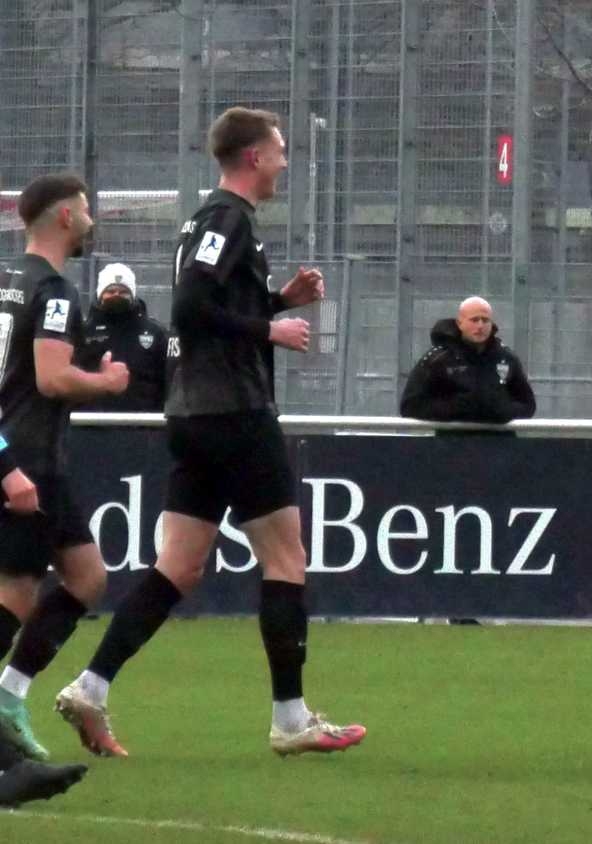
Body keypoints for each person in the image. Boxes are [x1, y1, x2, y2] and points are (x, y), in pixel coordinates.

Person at [54, 107, 367, 758]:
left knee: (179, 565)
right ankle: (290, 718)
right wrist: (269, 328)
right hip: (235, 412)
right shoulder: (229, 218)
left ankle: (91, 684)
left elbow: (209, 307)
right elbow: (192, 307)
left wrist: (277, 300)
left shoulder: (206, 220)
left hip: (193, 414)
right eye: (279, 150)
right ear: (253, 157)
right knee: (285, 559)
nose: (285, 161)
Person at [0, 174, 129, 762]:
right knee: (17, 593)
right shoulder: (54, 290)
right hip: (27, 458)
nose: (90, 220)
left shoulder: (12, 281)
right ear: (63, 218)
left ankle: (9, 695)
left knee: (86, 575)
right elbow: (52, 378)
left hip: (29, 453)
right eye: (84, 210)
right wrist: (105, 381)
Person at [400, 296, 536, 424]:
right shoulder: (438, 359)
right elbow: (410, 406)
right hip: (453, 439)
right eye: (474, 320)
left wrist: (501, 410)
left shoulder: (505, 357)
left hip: (499, 439)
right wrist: (460, 407)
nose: (480, 326)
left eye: (485, 320)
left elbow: (528, 405)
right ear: (460, 323)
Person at [74, 262, 169, 412]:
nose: (116, 295)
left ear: (133, 295)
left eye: (123, 291)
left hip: (144, 422)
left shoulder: (155, 333)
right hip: (91, 421)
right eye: (111, 291)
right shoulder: (82, 333)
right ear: (100, 294)